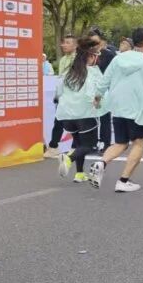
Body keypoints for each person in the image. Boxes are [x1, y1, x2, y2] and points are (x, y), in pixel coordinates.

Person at [89, 27, 143, 193]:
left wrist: (97, 97)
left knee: (121, 142)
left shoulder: (118, 59)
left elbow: (104, 81)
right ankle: (123, 180)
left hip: (118, 107)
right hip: (139, 109)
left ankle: (101, 162)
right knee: (139, 143)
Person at [55, 36, 103, 183]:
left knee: (78, 144)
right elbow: (94, 93)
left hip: (67, 115)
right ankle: (68, 158)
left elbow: (58, 92)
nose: (96, 59)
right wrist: (97, 103)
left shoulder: (69, 72)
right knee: (89, 145)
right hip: (85, 114)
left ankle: (79, 174)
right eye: (96, 56)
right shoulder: (92, 72)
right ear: (90, 56)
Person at [45, 34, 77, 158]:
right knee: (58, 121)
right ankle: (54, 146)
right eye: (63, 42)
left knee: (76, 122)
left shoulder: (79, 59)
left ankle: (75, 147)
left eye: (68, 43)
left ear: (75, 45)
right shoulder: (63, 59)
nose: (64, 45)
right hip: (63, 96)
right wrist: (57, 95)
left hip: (75, 96)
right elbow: (61, 79)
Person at [90, 28, 117, 149]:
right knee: (91, 117)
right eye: (91, 41)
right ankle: (92, 142)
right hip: (89, 89)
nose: (94, 44)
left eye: (96, 41)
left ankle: (105, 143)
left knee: (104, 116)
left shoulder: (108, 54)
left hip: (104, 90)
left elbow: (114, 72)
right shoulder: (86, 54)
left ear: (101, 41)